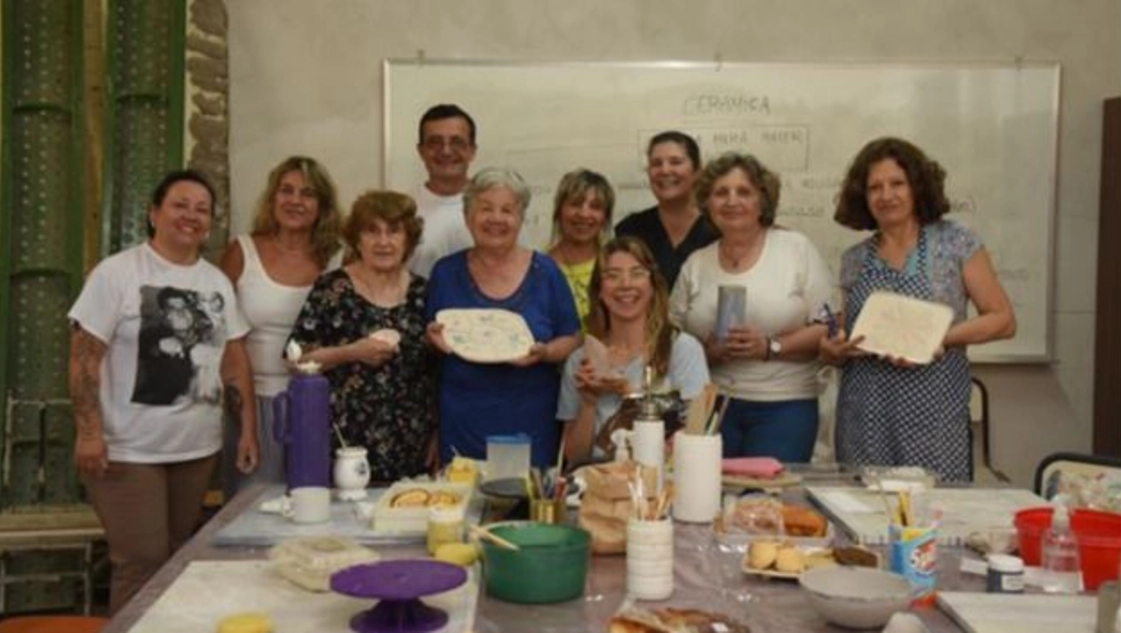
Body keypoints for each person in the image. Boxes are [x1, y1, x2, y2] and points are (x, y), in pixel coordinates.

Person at [68, 170, 258, 614]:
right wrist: (89, 433)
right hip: (129, 451)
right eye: (180, 205)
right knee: (141, 563)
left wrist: (247, 428)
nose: (191, 215)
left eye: (202, 209)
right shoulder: (117, 273)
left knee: (175, 560)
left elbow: (233, 361)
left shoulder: (215, 282)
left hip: (195, 450)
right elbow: (83, 359)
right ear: (154, 213)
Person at [821, 137, 1016, 482]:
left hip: (934, 419)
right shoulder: (854, 259)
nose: (886, 195)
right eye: (875, 187)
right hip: (863, 418)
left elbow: (1002, 320)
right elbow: (847, 336)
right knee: (865, 507)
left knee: (935, 509)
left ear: (917, 186)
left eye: (897, 183)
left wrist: (935, 339)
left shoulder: (956, 242)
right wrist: (834, 349)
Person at [670, 152, 834, 462]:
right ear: (707, 203)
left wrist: (770, 346)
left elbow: (829, 326)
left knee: (768, 492)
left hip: (784, 405)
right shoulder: (697, 263)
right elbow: (671, 335)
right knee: (707, 489)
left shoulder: (795, 249)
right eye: (721, 193)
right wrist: (706, 353)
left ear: (763, 201)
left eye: (744, 192)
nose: (732, 201)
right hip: (711, 405)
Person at [426, 167, 581, 467]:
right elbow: (431, 346)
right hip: (462, 422)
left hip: (531, 422)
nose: (496, 219)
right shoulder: (445, 272)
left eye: (507, 210)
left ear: (521, 219)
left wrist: (545, 352)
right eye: (486, 208)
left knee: (527, 496)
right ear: (468, 216)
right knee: (462, 495)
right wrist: (432, 339)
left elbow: (573, 338)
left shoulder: (546, 271)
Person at [287, 191, 436, 481]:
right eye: (372, 231)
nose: (383, 242)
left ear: (408, 240)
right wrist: (351, 352)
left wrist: (437, 432)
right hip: (343, 445)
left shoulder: (424, 292)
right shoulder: (332, 288)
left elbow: (439, 370)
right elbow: (295, 360)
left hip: (412, 444)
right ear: (356, 239)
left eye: (394, 231)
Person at [219, 156, 343, 493]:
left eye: (307, 193)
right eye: (286, 191)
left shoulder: (338, 259)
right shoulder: (241, 252)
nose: (295, 201)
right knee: (254, 504)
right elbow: (224, 337)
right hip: (252, 403)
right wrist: (246, 421)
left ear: (322, 205)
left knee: (314, 501)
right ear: (272, 198)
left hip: (317, 402)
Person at [558, 237, 709, 462]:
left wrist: (630, 394)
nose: (626, 284)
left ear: (652, 286)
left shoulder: (683, 350)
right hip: (596, 478)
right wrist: (588, 403)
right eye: (612, 276)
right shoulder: (580, 360)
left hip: (660, 477)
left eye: (637, 273)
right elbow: (575, 457)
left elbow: (695, 440)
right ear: (599, 291)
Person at [615, 131, 720, 289]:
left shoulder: (719, 229)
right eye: (656, 163)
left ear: (697, 171)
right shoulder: (630, 230)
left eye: (675, 162)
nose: (664, 170)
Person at [408, 104, 479, 278]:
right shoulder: (404, 211)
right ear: (421, 151)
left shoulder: (497, 209)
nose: (446, 151)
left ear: (472, 151)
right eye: (435, 143)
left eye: (457, 142)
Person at [547, 168, 616, 330]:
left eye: (595, 207)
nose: (584, 214)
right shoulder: (539, 268)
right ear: (559, 211)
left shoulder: (614, 266)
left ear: (605, 218)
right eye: (575, 204)